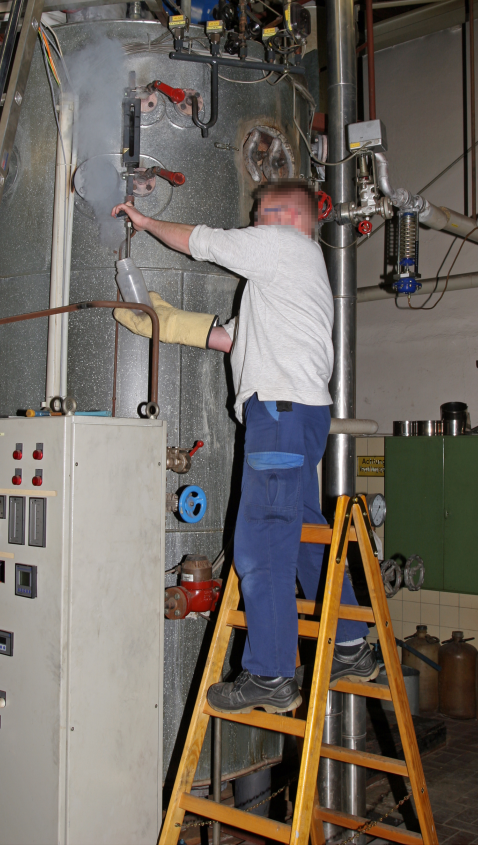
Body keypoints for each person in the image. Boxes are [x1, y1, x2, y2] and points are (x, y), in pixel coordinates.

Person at [110, 180, 378, 715]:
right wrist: (161, 321)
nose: (252, 219)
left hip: (277, 414)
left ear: (284, 216)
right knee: (302, 534)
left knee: (260, 545)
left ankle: (272, 675)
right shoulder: (293, 277)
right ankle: (350, 644)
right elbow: (233, 339)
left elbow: (205, 242)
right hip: (299, 416)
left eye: (259, 212)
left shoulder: (283, 246)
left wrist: (145, 223)